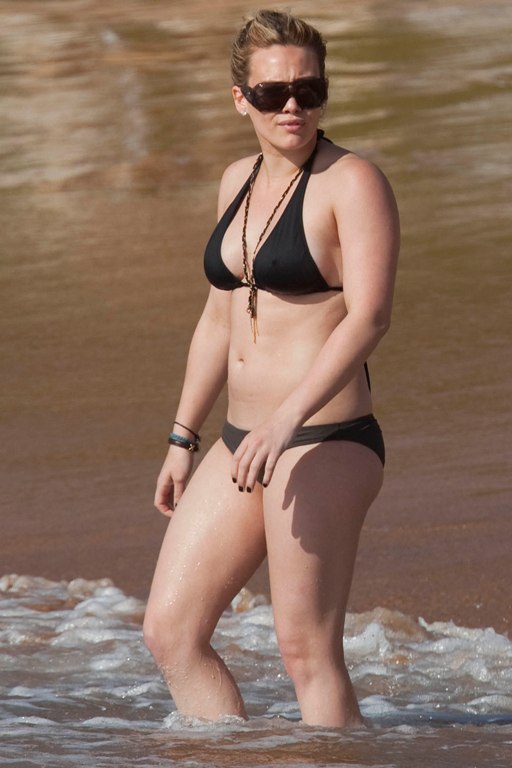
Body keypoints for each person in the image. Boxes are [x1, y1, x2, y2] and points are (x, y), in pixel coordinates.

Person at [143, 9, 399, 728]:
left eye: (308, 91)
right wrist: (183, 436)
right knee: (170, 632)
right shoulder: (237, 180)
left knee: (305, 650)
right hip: (241, 441)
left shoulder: (352, 182)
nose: (293, 107)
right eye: (272, 93)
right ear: (240, 99)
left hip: (323, 439)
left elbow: (370, 317)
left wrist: (287, 420)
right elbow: (217, 317)